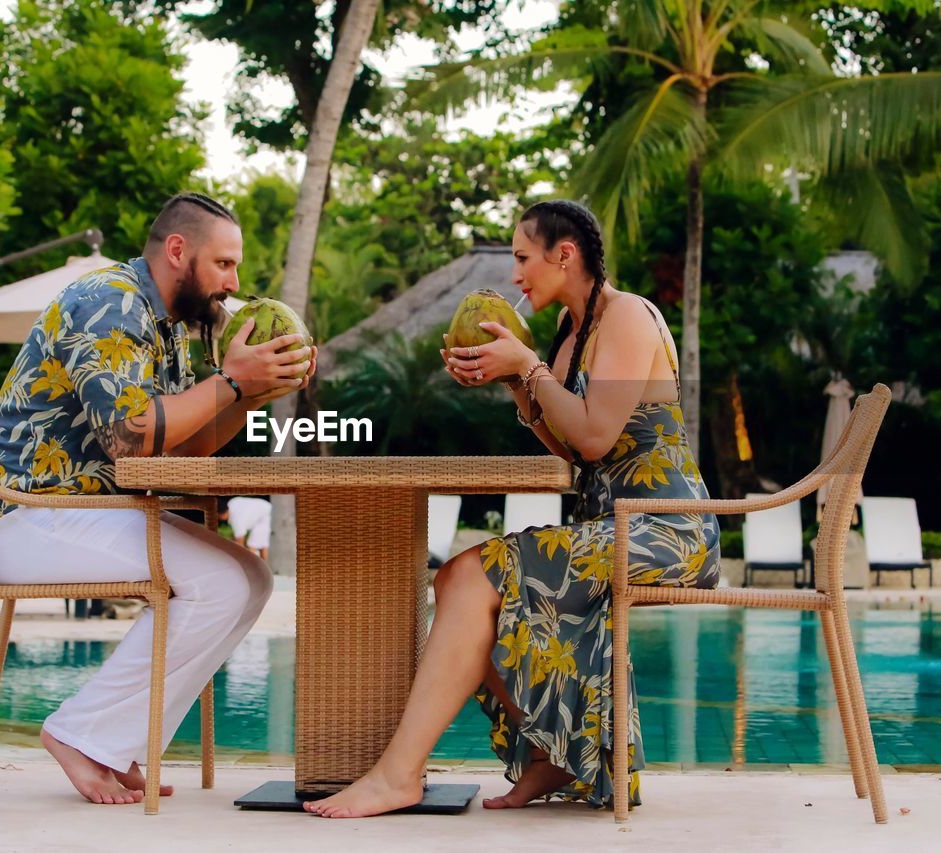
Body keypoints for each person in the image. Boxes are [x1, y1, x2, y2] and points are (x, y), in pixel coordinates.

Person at [304, 199, 720, 818]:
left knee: (470, 574)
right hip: (612, 525)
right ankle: (548, 755)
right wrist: (512, 383)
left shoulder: (628, 316)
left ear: (565, 253)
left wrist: (528, 367)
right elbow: (566, 442)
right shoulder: (571, 337)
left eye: (524, 258)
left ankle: (398, 774)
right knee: (455, 576)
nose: (517, 275)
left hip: (663, 527)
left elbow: (597, 437)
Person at [0, 192, 316, 805]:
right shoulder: (109, 302)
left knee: (251, 579)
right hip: (28, 519)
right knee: (225, 583)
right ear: (178, 251)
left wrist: (249, 394)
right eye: (225, 265)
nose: (234, 283)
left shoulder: (171, 329)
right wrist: (232, 381)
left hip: (80, 515)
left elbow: (184, 449)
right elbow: (131, 438)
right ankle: (80, 735)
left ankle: (117, 743)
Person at [218, 496, 272, 560]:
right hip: (267, 510)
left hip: (265, 516)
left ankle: (261, 566)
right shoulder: (232, 503)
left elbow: (240, 543)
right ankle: (267, 566)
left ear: (220, 515)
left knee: (252, 546)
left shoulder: (236, 518)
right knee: (262, 543)